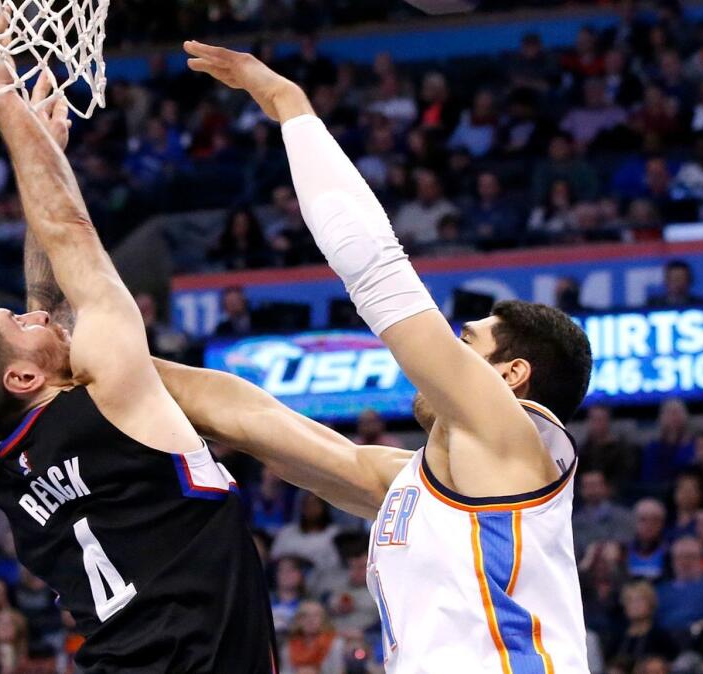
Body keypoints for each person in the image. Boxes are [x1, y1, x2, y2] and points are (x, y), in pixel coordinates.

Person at [156, 41, 594, 672]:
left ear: (510, 376)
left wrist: (288, 104)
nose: (446, 350)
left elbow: (377, 271)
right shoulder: (412, 482)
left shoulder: (515, 438)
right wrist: (92, 356)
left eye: (466, 342)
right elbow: (248, 418)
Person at [0, 41, 276, 672]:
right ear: (23, 376)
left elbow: (48, 302)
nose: (31, 314)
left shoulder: (13, 476)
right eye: (15, 321)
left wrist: (49, 156)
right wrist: (2, 88)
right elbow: (72, 237)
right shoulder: (110, 397)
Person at [606, 582, 677, 670]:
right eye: (630, 601)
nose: (635, 606)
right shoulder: (617, 635)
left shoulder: (660, 635)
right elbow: (608, 661)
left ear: (651, 604)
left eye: (639, 600)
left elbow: (672, 661)